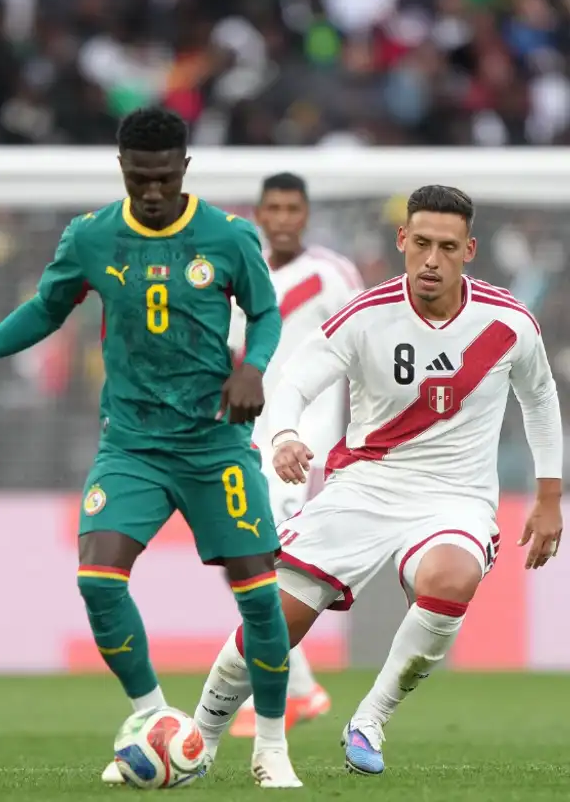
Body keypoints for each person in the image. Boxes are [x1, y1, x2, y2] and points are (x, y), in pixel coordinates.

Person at [0, 107, 302, 790]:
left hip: (213, 444)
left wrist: (254, 366)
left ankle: (272, 745)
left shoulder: (227, 236)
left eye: (163, 178)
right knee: (98, 581)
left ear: (184, 169)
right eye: (139, 179)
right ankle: (154, 722)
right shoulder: (93, 236)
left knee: (258, 599)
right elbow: (47, 308)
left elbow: (268, 312)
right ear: (122, 170)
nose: (152, 193)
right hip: (131, 443)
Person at [195, 184, 563, 775]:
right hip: (365, 486)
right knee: (274, 621)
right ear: (402, 241)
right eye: (421, 243)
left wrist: (550, 496)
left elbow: (540, 398)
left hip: (455, 498)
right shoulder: (367, 315)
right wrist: (285, 434)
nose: (432, 260)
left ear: (469, 250)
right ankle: (199, 737)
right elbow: (292, 381)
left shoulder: (508, 323)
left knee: (452, 580)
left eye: (447, 246)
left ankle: (370, 718)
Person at [227, 172, 363, 737]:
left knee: (269, 558)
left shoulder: (334, 275)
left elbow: (365, 349)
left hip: (305, 440)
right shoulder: (240, 271)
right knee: (247, 557)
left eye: (292, 208)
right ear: (259, 213)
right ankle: (299, 688)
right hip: (243, 434)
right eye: (273, 208)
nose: (282, 218)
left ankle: (284, 691)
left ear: (305, 215)